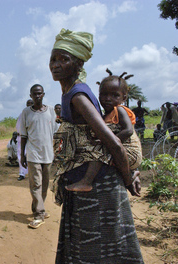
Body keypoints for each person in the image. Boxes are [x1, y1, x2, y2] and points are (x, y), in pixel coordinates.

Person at [49, 28, 143, 263]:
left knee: (96, 252)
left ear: (78, 64)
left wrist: (128, 176)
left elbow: (111, 141)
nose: (56, 65)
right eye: (54, 58)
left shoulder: (78, 96)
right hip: (88, 183)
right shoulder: (71, 91)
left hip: (99, 188)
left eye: (64, 59)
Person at [65, 69, 142, 192]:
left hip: (130, 153)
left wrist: (107, 142)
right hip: (122, 155)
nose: (108, 99)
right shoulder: (105, 115)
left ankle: (87, 181)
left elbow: (128, 131)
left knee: (99, 151)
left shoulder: (120, 110)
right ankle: (130, 174)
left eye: (115, 95)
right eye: (104, 94)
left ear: (124, 97)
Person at [19, 84, 57, 229]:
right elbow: (23, 135)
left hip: (47, 154)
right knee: (36, 184)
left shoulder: (51, 112)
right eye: (34, 94)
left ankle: (37, 207)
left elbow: (55, 132)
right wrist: (22, 155)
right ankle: (39, 214)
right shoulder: (26, 113)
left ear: (43, 94)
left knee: (45, 185)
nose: (37, 96)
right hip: (33, 154)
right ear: (30, 95)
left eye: (39, 93)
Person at [16, 99, 34, 181]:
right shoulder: (22, 114)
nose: (29, 105)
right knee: (21, 155)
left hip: (32, 139)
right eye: (28, 104)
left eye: (31, 103)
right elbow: (19, 127)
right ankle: (22, 173)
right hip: (22, 138)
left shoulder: (36, 115)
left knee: (32, 156)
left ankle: (32, 174)